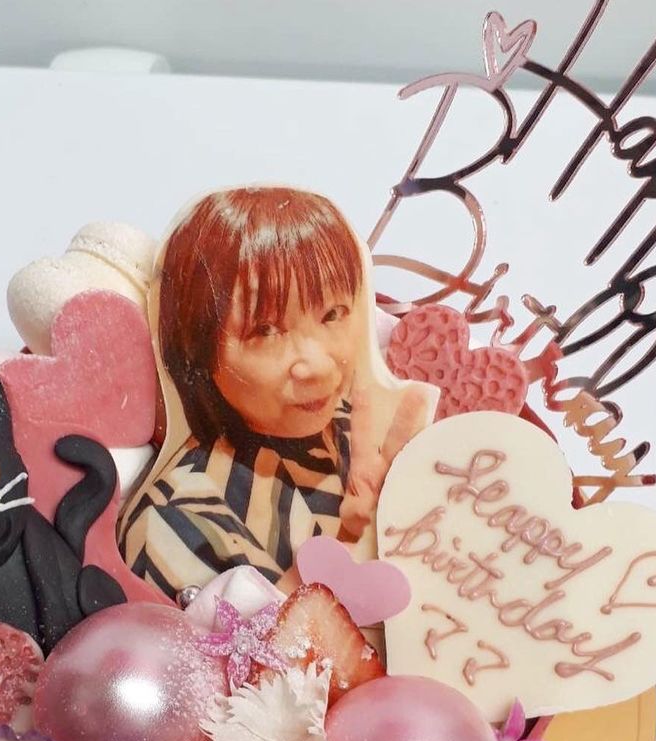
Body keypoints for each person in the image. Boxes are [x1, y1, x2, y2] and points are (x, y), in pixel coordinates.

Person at [120, 186, 427, 598]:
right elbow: (243, 639)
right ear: (198, 347)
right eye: (264, 331)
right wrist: (356, 538)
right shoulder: (175, 520)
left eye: (333, 314)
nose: (317, 365)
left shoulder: (368, 438)